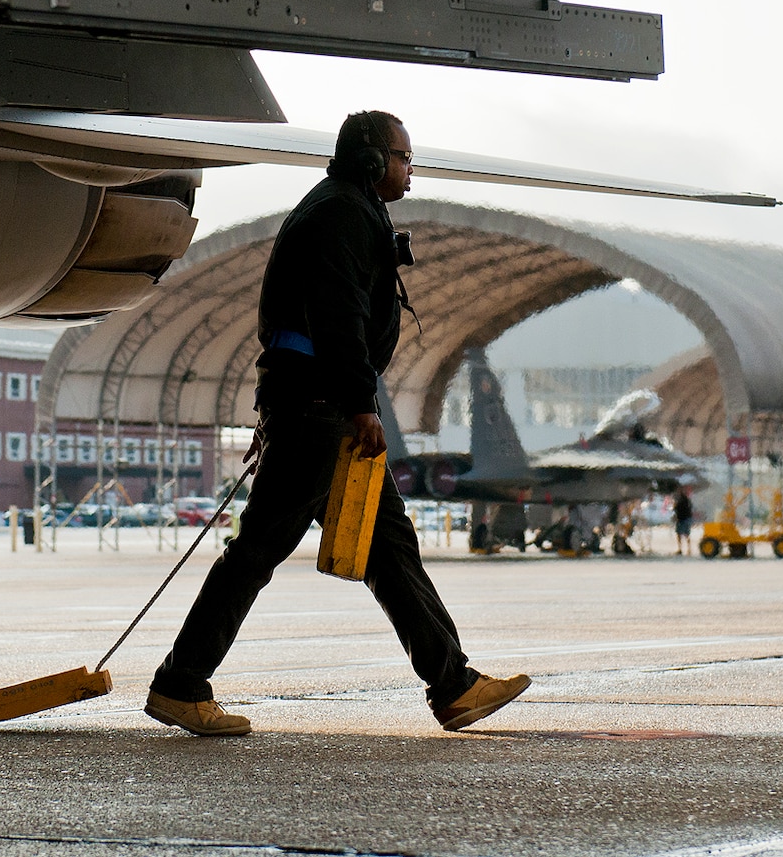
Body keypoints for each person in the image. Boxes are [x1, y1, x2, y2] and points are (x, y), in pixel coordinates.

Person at [143, 111, 530, 737]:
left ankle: (453, 685)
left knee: (389, 547)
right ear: (374, 160)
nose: (411, 171)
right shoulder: (341, 215)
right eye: (404, 158)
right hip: (318, 409)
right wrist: (359, 404)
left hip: (315, 405)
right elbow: (336, 317)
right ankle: (180, 683)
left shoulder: (350, 209)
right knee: (260, 549)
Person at [672, 488, 694, 555]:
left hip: (681, 519)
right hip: (687, 518)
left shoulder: (679, 501)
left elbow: (676, 509)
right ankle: (689, 549)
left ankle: (680, 549)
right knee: (687, 534)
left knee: (679, 534)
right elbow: (690, 508)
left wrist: (674, 506)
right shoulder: (688, 500)